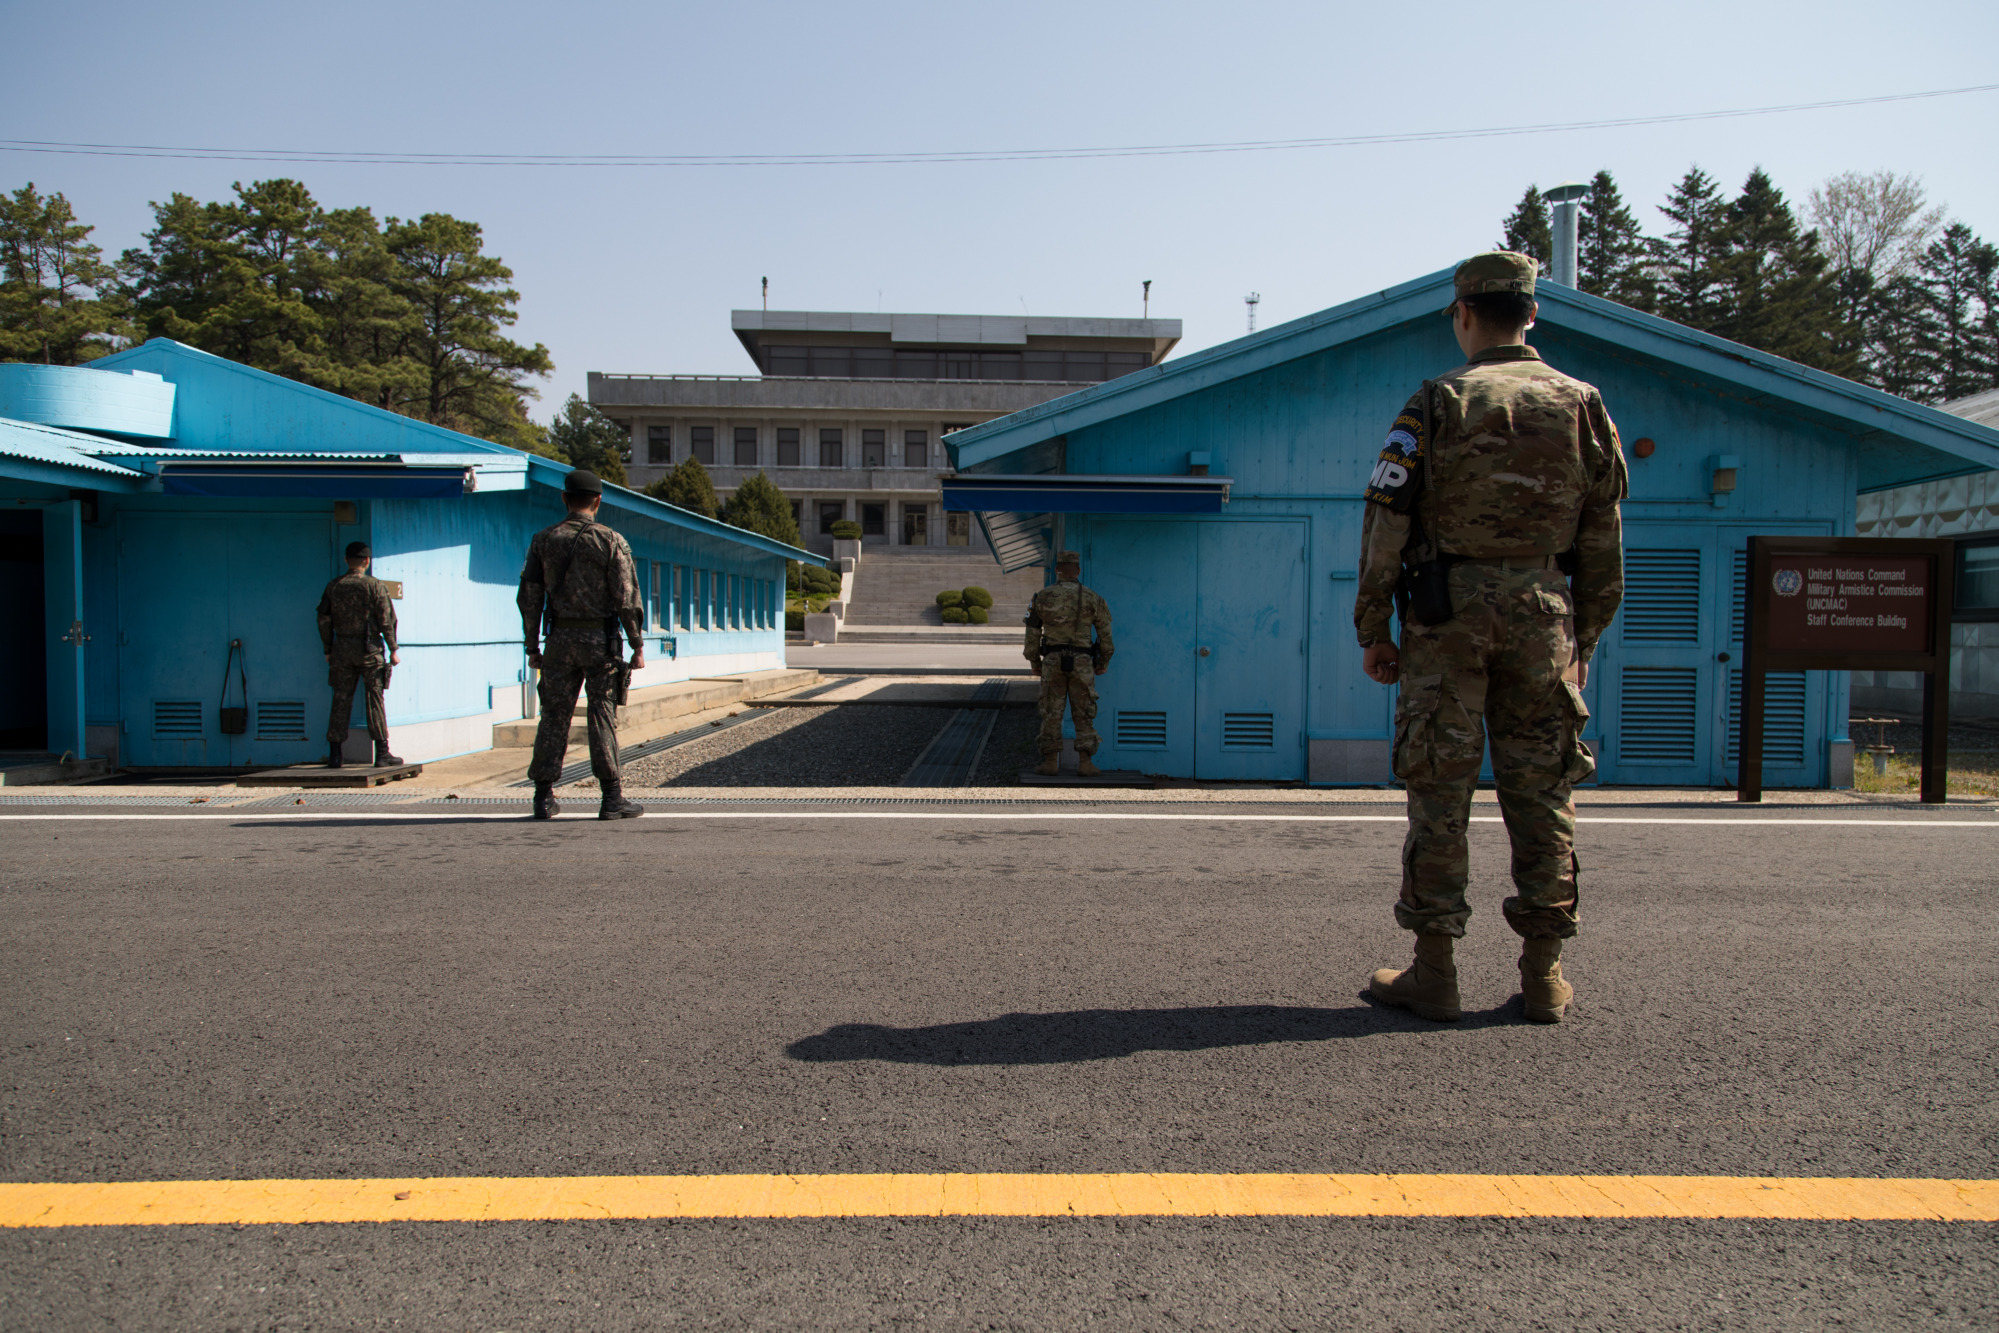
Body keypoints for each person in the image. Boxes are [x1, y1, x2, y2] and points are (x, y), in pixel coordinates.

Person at [1353, 251, 1627, 1024]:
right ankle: (1543, 974)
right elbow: (1603, 541)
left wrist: (1374, 625)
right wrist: (1585, 637)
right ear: (1531, 314)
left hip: (1449, 615)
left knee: (1439, 795)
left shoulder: (1438, 400)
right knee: (1542, 793)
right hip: (1544, 614)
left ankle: (1434, 971)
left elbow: (1386, 521)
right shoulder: (1582, 404)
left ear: (1464, 313)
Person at [517, 470, 646, 821]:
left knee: (553, 716)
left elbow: (529, 598)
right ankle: (611, 798)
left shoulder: (543, 540)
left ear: (564, 498)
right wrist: (636, 643)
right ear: (598, 501)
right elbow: (626, 596)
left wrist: (532, 645)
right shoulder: (610, 540)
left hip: (558, 641)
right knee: (601, 713)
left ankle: (543, 796)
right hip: (600, 642)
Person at [1025, 550, 1114, 777]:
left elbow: (1032, 634)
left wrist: (1035, 661)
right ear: (1078, 571)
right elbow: (1106, 636)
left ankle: (1050, 762)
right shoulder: (1093, 598)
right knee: (1084, 711)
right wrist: (1103, 662)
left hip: (1053, 661)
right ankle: (1085, 763)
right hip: (1083, 662)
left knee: (1051, 711)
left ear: (1057, 570)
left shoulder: (1042, 597)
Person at [317, 541, 402, 768]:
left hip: (341, 651)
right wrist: (393, 648)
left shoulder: (333, 586)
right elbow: (387, 620)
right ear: (367, 561)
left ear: (346, 560)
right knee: (374, 699)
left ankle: (335, 755)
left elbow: (323, 619)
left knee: (340, 699)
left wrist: (328, 648)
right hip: (370, 650)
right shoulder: (375, 586)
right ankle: (382, 753)